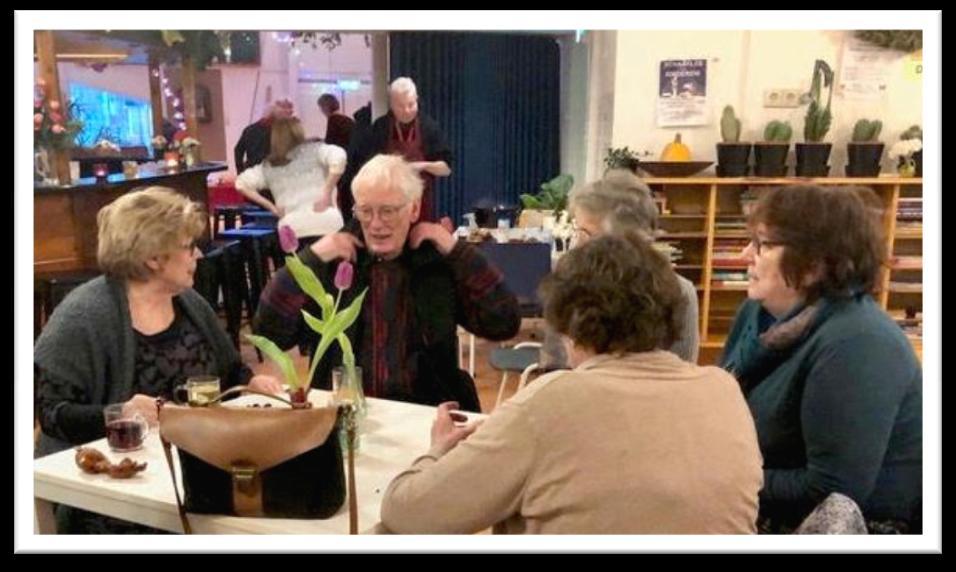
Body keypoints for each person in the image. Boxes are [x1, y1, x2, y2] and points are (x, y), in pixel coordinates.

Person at [379, 232, 763, 534]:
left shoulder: (551, 402)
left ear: (571, 325)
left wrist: (436, 452)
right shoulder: (724, 391)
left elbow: (408, 512)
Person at [34, 187, 282, 531]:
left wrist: (251, 382)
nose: (197, 254)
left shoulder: (190, 303)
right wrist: (119, 414)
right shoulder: (84, 316)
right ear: (153, 258)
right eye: (187, 246)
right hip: (116, 491)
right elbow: (51, 414)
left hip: (196, 473)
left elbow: (230, 372)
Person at [720, 185, 922, 533]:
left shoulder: (859, 343)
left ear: (814, 264)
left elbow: (833, 489)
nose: (743, 255)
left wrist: (721, 480)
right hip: (761, 504)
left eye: (763, 245)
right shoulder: (756, 313)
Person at [253, 154, 520, 411]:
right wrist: (311, 258)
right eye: (365, 211)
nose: (376, 224)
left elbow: (503, 322)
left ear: (414, 209)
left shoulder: (435, 263)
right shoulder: (336, 262)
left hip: (427, 415)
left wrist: (454, 249)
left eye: (388, 211)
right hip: (346, 413)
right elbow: (270, 333)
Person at [539, 168, 700, 369]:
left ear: (622, 243)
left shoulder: (680, 291)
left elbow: (681, 372)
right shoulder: (570, 286)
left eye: (585, 233)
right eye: (576, 231)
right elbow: (553, 368)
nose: (577, 245)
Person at [235, 116, 346, 244]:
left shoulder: (269, 166)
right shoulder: (316, 150)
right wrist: (327, 192)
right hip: (328, 224)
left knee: (297, 264)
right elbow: (339, 157)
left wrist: (272, 207)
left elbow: (241, 183)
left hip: (292, 230)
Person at [355, 78, 452, 222]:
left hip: (420, 206)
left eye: (411, 104)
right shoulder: (380, 127)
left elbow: (446, 169)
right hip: (386, 206)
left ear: (417, 100)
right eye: (400, 106)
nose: (406, 110)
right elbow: (366, 167)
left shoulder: (429, 127)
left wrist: (422, 166)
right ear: (392, 104)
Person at [233, 99, 295, 174]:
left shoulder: (248, 129)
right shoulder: (272, 132)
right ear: (271, 118)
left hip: (251, 172)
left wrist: (240, 172)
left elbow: (238, 150)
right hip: (265, 174)